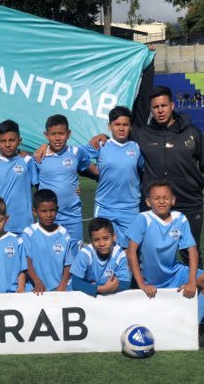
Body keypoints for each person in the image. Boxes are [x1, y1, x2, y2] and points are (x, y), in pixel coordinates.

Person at [91, 86, 204, 267]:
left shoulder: (192, 133)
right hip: (155, 207)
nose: (160, 110)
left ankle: (197, 293)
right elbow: (119, 135)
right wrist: (103, 135)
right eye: (155, 107)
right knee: (154, 254)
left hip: (189, 203)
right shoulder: (141, 134)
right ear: (151, 110)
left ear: (172, 105)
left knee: (191, 255)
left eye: (164, 106)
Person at [126, 181, 204, 302]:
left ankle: (194, 320)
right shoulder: (143, 219)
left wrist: (192, 282)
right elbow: (131, 252)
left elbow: (192, 251)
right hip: (151, 280)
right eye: (156, 198)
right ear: (148, 202)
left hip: (175, 274)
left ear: (172, 200)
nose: (161, 201)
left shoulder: (180, 218)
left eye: (166, 198)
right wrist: (141, 283)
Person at [33, 114, 98, 256]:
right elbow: (34, 183)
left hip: (72, 216)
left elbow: (93, 169)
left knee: (74, 255)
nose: (57, 138)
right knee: (49, 255)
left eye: (61, 134)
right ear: (46, 135)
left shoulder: (76, 152)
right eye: (53, 134)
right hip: (49, 217)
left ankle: (72, 279)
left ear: (68, 134)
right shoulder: (39, 156)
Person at [83, 106, 143, 247]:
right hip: (105, 207)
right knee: (104, 249)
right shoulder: (102, 144)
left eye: (125, 125)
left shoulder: (136, 148)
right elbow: (77, 155)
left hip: (130, 208)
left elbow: (143, 169)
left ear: (130, 127)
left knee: (130, 251)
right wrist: (94, 169)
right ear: (109, 126)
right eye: (117, 124)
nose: (121, 128)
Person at [0, 119, 38, 234]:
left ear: (19, 141)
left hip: (24, 224)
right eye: (3, 141)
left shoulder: (27, 160)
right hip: (0, 224)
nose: (8, 144)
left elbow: (41, 187)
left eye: (12, 140)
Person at [22, 189, 73, 294]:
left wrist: (63, 284)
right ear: (35, 212)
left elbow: (68, 264)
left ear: (57, 209)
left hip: (58, 289)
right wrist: (37, 281)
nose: (49, 215)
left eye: (52, 210)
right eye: (43, 211)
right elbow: (26, 261)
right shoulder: (29, 233)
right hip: (35, 289)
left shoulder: (64, 234)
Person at [71, 217, 131, 297]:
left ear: (114, 237)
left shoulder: (119, 254)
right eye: (96, 240)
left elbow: (125, 283)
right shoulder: (84, 254)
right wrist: (102, 288)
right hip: (87, 298)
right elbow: (76, 283)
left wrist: (95, 287)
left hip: (105, 297)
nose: (102, 243)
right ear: (91, 241)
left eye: (106, 238)